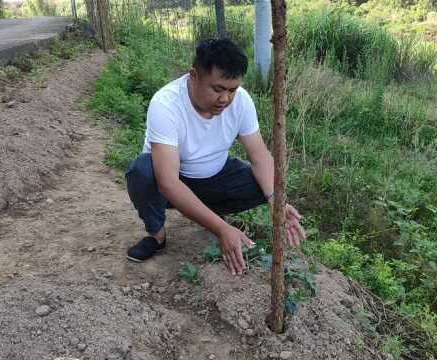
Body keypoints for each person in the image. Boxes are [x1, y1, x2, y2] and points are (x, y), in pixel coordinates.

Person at [124, 38, 306, 276]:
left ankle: (208, 211)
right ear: (194, 76)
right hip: (173, 181)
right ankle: (157, 236)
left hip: (217, 175)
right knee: (142, 171)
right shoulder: (166, 104)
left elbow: (260, 155)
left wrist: (276, 201)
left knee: (266, 182)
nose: (225, 99)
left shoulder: (241, 102)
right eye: (218, 89)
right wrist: (223, 229)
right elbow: (168, 183)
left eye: (232, 90)